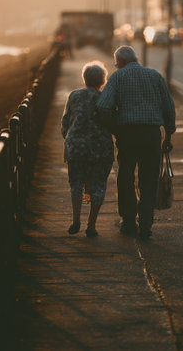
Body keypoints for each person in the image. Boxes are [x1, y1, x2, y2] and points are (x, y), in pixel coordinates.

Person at [97, 46, 176, 240]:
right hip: (151, 135)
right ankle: (146, 224)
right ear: (136, 59)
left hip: (128, 135)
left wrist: (115, 129)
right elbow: (169, 108)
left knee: (125, 177)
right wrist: (168, 136)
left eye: (116, 64)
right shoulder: (155, 76)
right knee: (149, 179)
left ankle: (129, 222)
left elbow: (102, 107)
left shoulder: (117, 77)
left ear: (120, 63)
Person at [61, 61, 114, 237]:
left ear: (84, 79)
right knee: (98, 185)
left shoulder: (74, 95)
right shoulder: (105, 97)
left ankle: (76, 220)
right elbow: (112, 121)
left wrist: (69, 137)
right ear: (102, 80)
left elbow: (65, 122)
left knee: (76, 184)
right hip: (100, 149)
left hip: (76, 147)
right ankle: (91, 226)